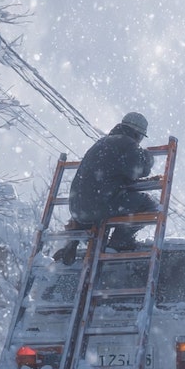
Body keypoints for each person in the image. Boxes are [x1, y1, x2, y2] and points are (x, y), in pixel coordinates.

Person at [53, 112, 157, 264]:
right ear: (137, 134)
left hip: (77, 207)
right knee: (149, 205)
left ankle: (72, 241)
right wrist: (148, 157)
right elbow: (138, 170)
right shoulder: (128, 144)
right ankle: (118, 243)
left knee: (95, 205)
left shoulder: (101, 142)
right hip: (100, 204)